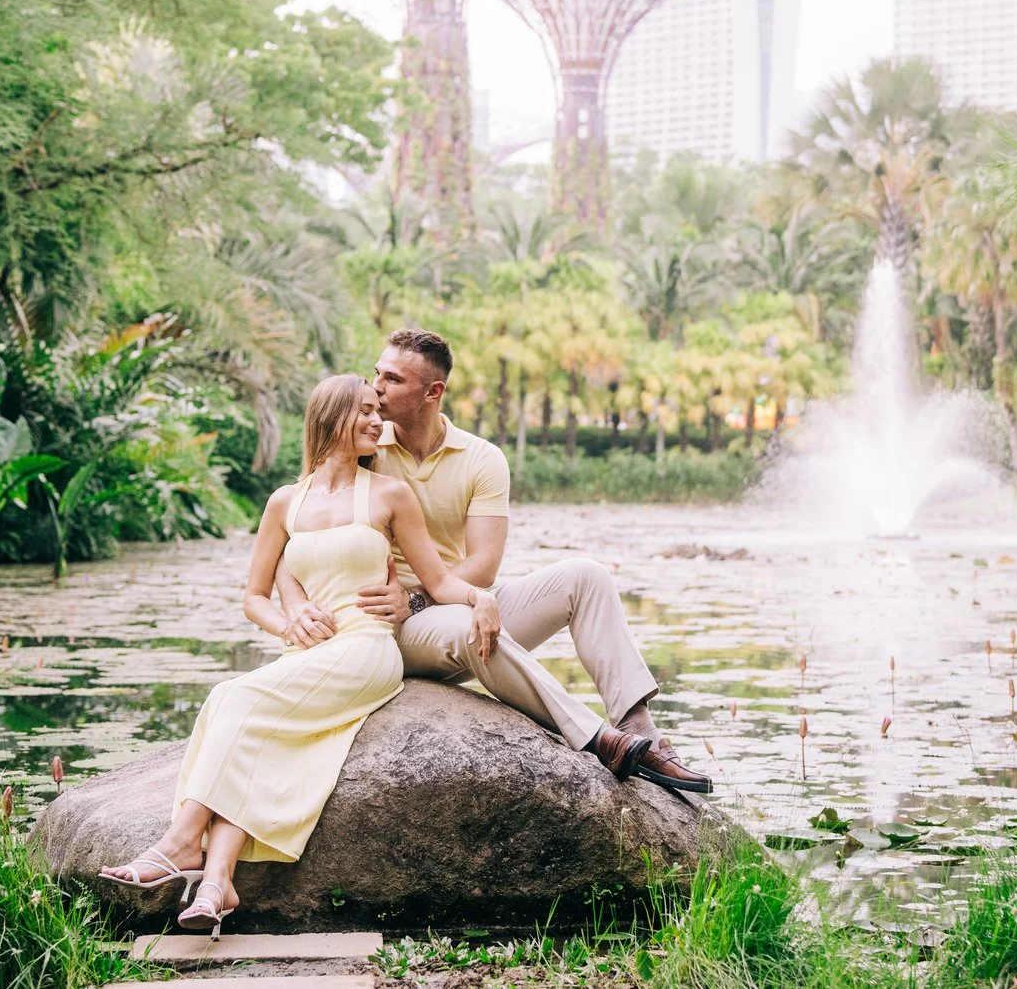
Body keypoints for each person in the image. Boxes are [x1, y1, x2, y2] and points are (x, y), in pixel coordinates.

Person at [96, 374, 502, 935]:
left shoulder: (389, 494)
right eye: (363, 411)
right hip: (310, 654)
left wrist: (481, 597)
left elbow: (436, 579)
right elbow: (253, 597)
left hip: (365, 648)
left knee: (231, 697)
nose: (375, 421)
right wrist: (290, 619)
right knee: (251, 727)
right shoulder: (286, 502)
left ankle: (181, 840)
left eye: (375, 411)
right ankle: (217, 880)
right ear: (331, 417)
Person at [274, 327, 712, 794]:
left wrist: (420, 599)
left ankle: (641, 729)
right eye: (377, 374)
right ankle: (600, 740)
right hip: (385, 625)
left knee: (586, 576)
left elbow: (483, 564)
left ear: (432, 392)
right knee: (468, 623)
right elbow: (296, 527)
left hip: (443, 600)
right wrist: (295, 604)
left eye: (393, 380)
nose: (377, 387)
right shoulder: (362, 443)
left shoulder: (482, 458)